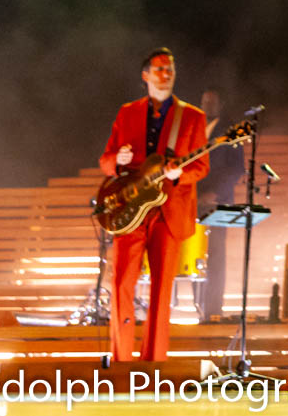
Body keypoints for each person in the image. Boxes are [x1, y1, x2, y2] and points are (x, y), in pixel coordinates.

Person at [99, 48, 208, 362]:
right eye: (159, 69)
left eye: (170, 69)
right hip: (130, 210)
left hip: (168, 209)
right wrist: (117, 160)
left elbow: (201, 167)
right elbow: (105, 160)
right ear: (145, 75)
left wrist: (180, 174)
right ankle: (121, 360)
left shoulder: (192, 117)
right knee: (121, 283)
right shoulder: (127, 113)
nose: (166, 75)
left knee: (162, 290)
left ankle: (155, 362)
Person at [196, 89, 245, 323]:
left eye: (212, 101)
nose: (208, 105)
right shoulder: (194, 130)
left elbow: (237, 168)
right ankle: (197, 306)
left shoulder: (230, 130)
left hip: (217, 203)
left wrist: (214, 193)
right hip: (191, 201)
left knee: (215, 256)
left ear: (220, 104)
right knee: (192, 258)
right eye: (204, 101)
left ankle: (213, 311)